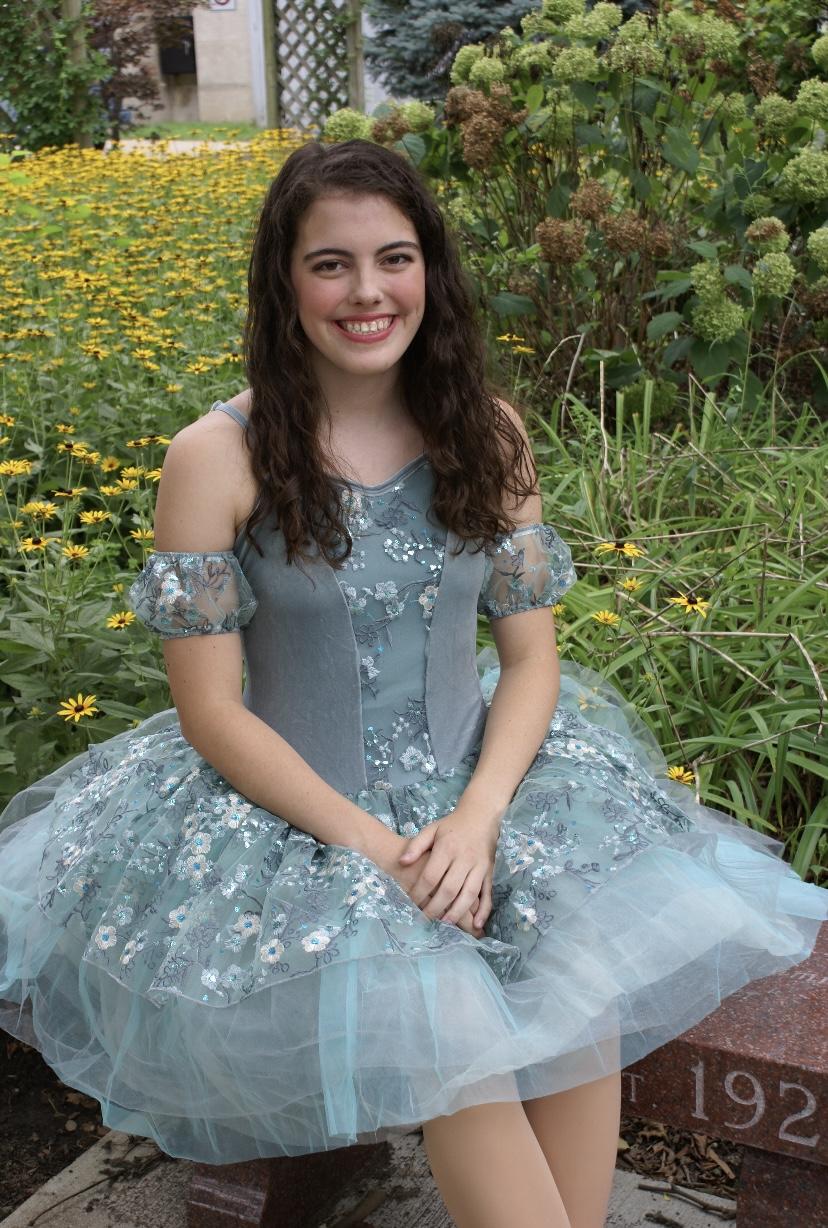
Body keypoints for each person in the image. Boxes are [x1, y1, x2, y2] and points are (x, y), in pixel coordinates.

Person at [0, 139, 825, 1228]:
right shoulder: (217, 455)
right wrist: (383, 852)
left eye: (393, 257)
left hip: (494, 789)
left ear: (429, 270)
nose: (367, 290)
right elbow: (208, 709)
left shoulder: (485, 431)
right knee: (455, 1042)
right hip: (305, 823)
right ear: (284, 280)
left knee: (581, 1007)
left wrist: (479, 818)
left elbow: (532, 660)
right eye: (330, 263)